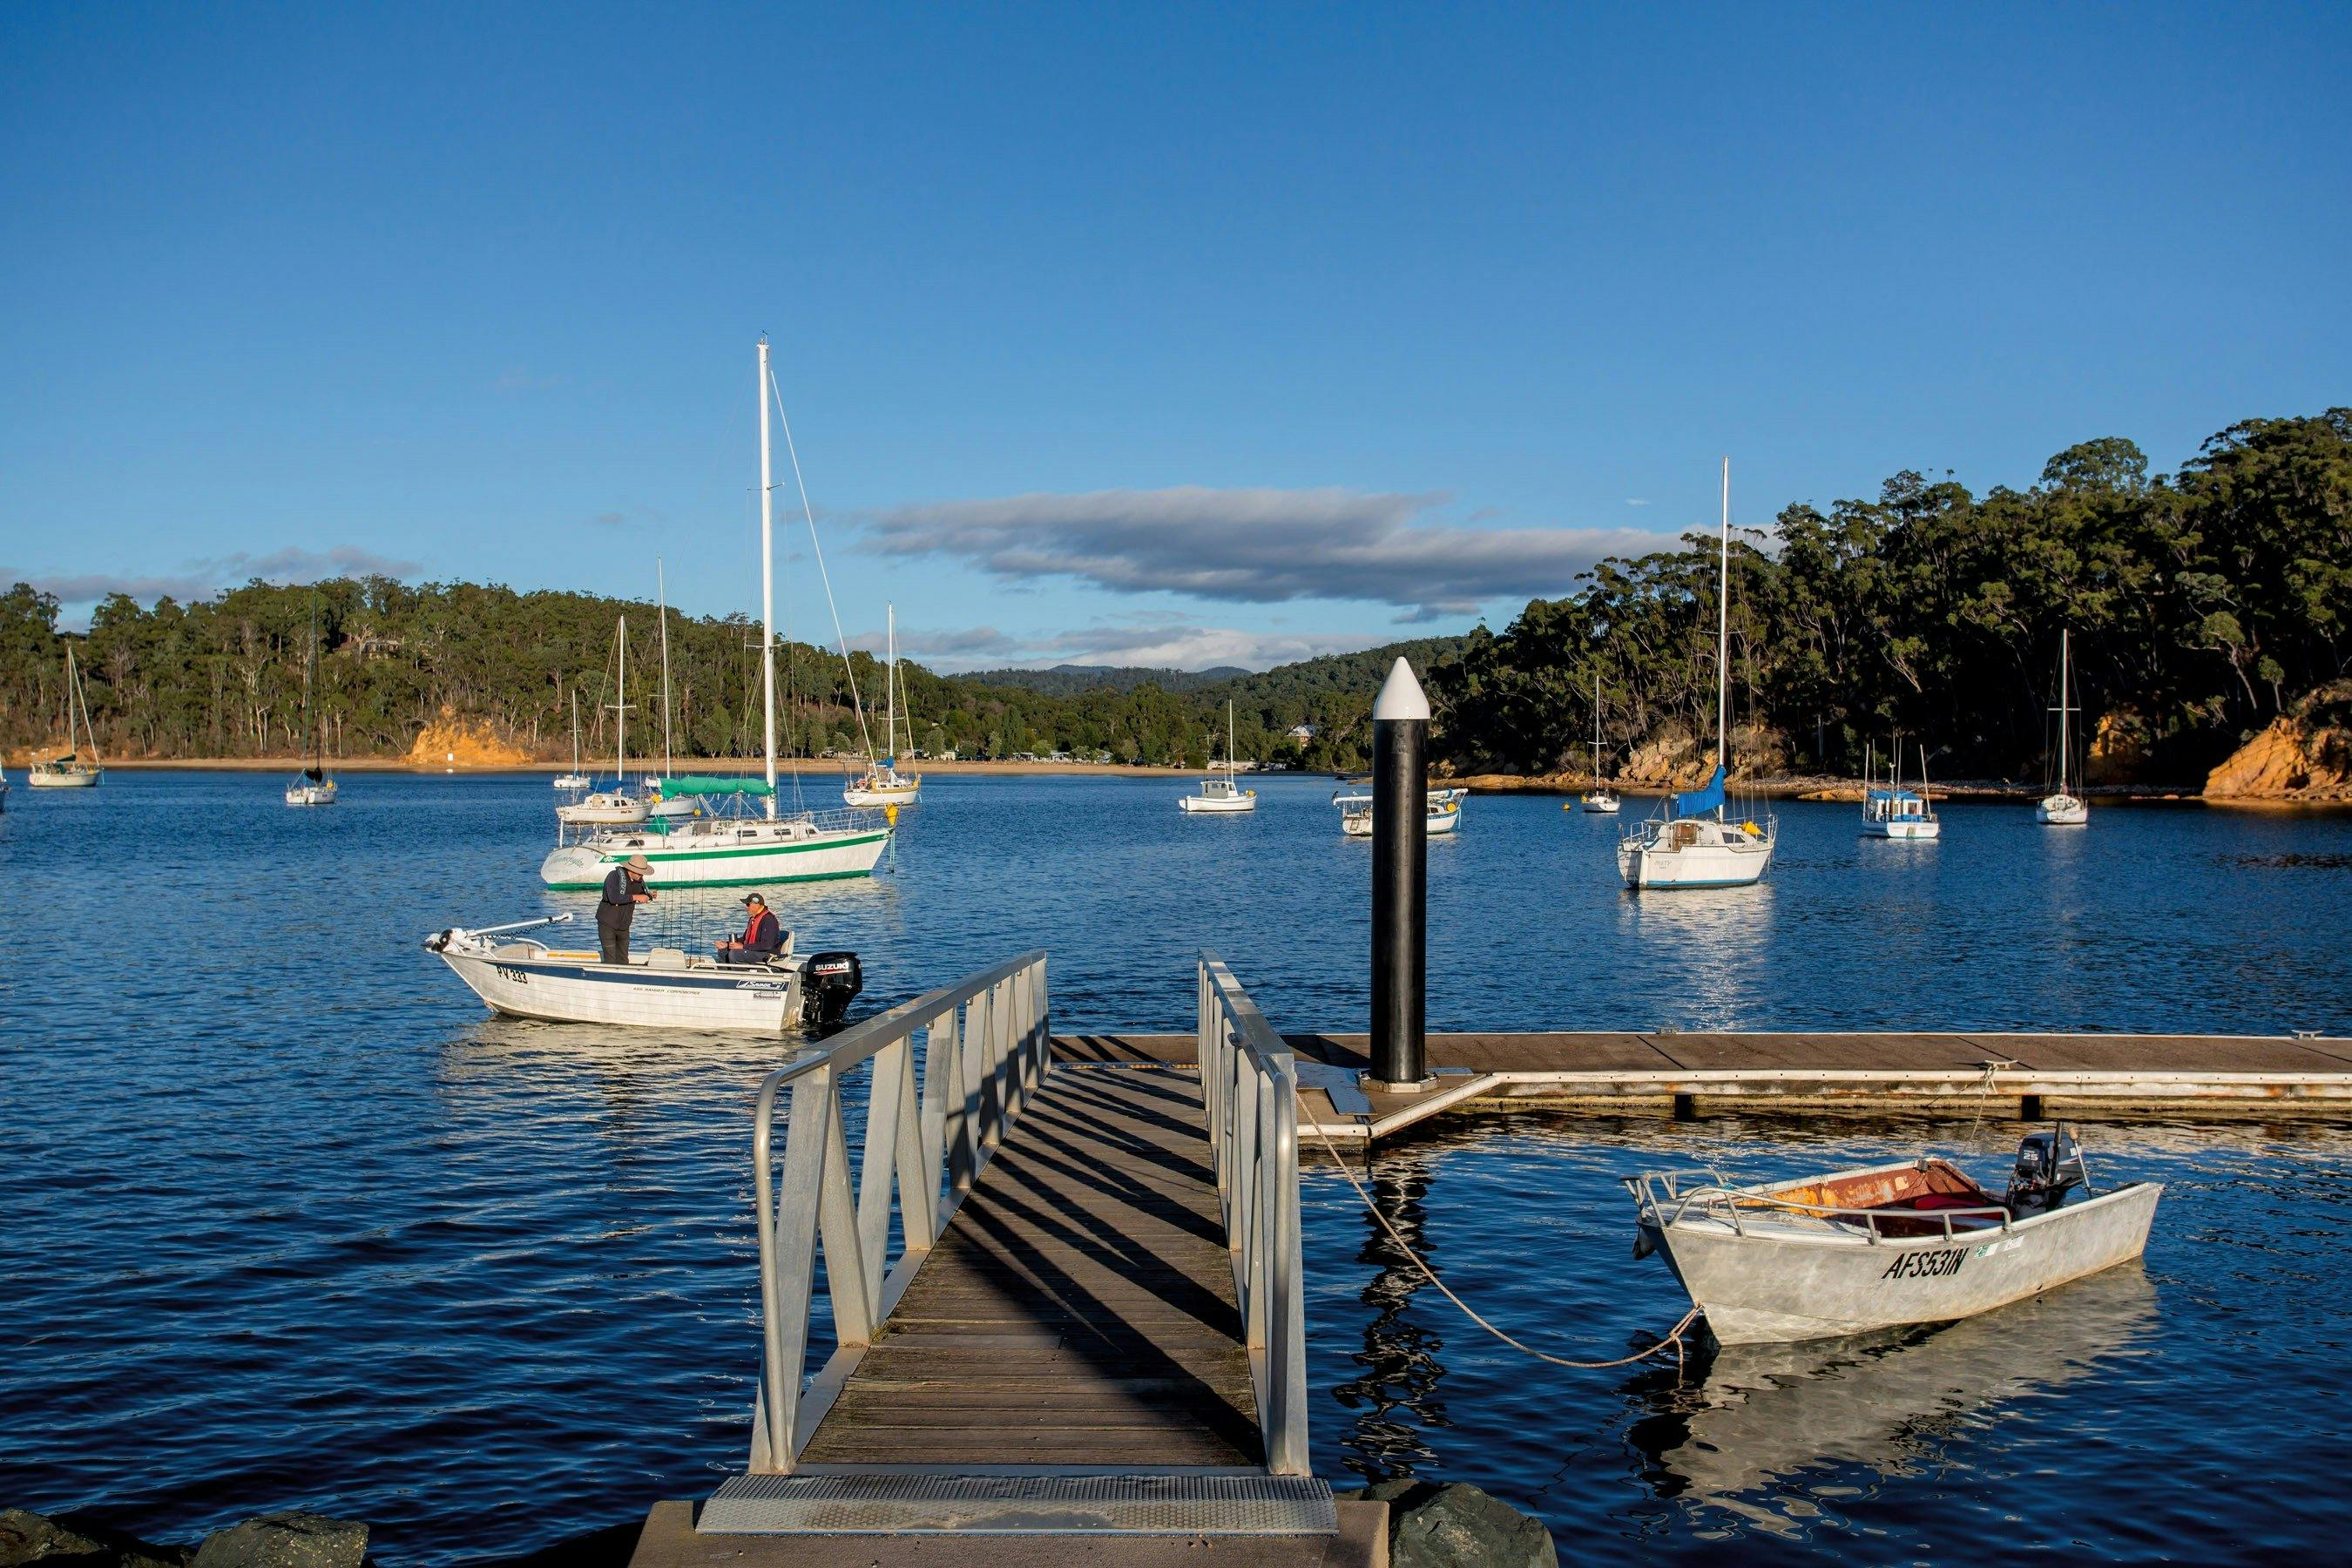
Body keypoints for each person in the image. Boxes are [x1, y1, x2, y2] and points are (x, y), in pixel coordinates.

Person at [598, 854, 654, 963]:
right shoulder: (614, 876)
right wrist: (637, 897)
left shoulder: (639, 881)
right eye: (639, 872)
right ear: (631, 870)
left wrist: (650, 895)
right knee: (610, 959)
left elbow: (642, 895)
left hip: (624, 926)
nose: (641, 875)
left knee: (623, 959)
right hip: (608, 924)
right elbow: (614, 898)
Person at [716, 892, 785, 965]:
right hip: (754, 951)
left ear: (757, 904)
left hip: (768, 954)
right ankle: (727, 973)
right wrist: (727, 944)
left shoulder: (768, 919)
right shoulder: (753, 919)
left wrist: (743, 947)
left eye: (748, 904)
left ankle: (740, 974)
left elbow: (767, 945)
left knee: (734, 954)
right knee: (723, 951)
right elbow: (744, 939)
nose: (746, 907)